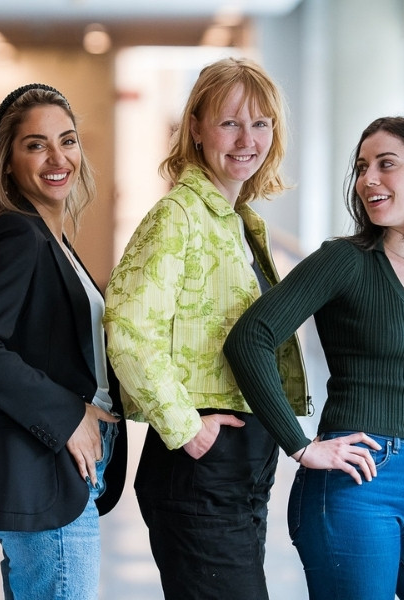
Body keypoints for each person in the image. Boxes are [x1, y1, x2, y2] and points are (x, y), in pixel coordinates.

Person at [223, 116, 404, 599]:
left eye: (385, 164)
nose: (367, 178)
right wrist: (301, 445)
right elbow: (251, 338)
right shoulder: (345, 261)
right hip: (354, 487)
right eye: (361, 167)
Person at [103, 57, 308, 600]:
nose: (248, 139)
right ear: (195, 127)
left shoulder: (241, 222)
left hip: (242, 472)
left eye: (260, 124)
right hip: (201, 472)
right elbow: (128, 327)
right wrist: (186, 428)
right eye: (230, 122)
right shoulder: (179, 217)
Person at [0, 83, 127, 600]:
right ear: (7, 161)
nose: (58, 157)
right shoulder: (18, 233)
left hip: (63, 474)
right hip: (42, 472)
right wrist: (68, 414)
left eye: (67, 140)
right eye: (36, 145)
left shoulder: (51, 237)